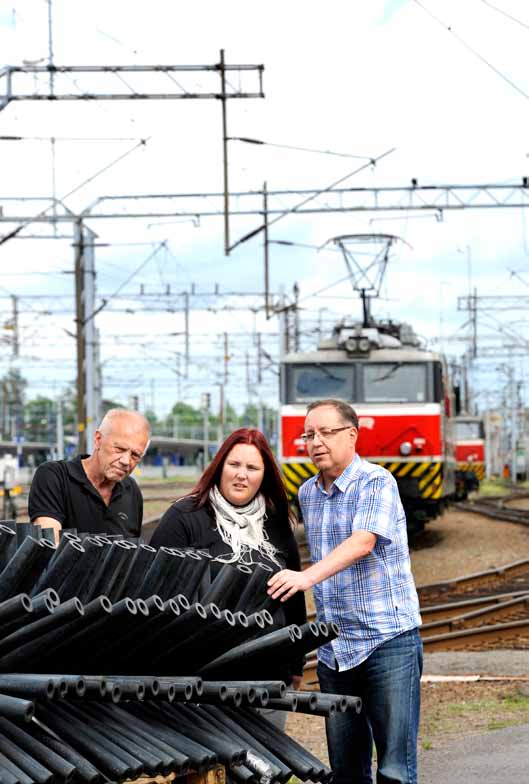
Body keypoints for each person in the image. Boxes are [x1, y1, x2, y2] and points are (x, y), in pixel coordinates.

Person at [267, 399, 422, 784]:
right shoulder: (308, 493)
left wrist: (305, 578)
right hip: (336, 651)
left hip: (388, 641)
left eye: (326, 432)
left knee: (394, 769)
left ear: (351, 435)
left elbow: (362, 542)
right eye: (309, 435)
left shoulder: (376, 481)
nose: (315, 442)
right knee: (347, 771)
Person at [151, 427, 307, 697]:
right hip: (202, 675)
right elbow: (155, 589)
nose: (241, 475)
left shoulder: (277, 523)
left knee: (263, 741)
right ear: (219, 466)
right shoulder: (185, 516)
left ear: (264, 475)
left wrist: (296, 662)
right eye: (233, 464)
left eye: (252, 467)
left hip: (268, 673)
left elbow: (293, 598)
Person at [29, 408, 151, 541]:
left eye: (135, 455)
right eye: (119, 449)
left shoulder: (131, 490)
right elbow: (50, 544)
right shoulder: (54, 476)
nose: (126, 461)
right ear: (98, 439)